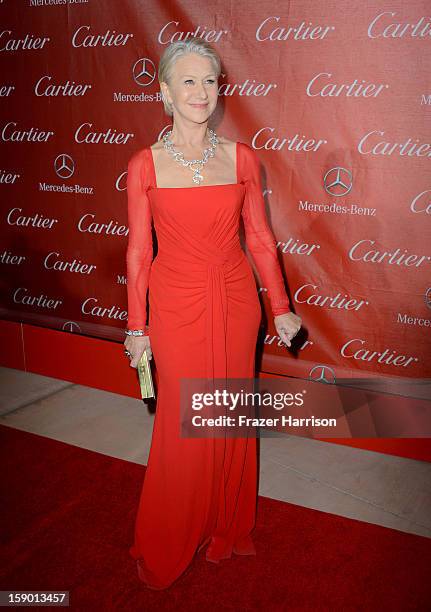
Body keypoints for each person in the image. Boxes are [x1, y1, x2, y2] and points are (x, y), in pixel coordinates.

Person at [123, 37, 302, 590]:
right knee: (184, 419)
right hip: (175, 305)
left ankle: (224, 523)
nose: (201, 92)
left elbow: (261, 240)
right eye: (188, 81)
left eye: (209, 81)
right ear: (165, 92)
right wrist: (137, 328)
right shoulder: (144, 164)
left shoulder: (241, 157)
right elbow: (138, 252)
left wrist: (281, 308)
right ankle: (173, 532)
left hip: (235, 299)